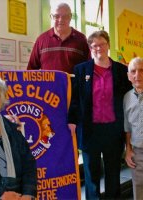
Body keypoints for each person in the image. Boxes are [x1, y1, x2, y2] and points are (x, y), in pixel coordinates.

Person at [68, 30, 132, 199]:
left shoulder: (121, 71)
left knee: (113, 174)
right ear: (90, 48)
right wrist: (72, 121)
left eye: (102, 44)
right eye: (94, 45)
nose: (99, 48)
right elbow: (75, 99)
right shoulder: (81, 70)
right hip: (90, 131)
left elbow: (128, 99)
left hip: (114, 130)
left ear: (108, 45)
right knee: (91, 175)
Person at [27, 3, 90, 74]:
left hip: (74, 85)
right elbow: (31, 71)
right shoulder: (41, 39)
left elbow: (89, 69)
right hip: (47, 85)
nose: (60, 20)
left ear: (70, 17)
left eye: (65, 16)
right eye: (56, 16)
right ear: (51, 17)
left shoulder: (81, 39)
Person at [123, 57, 143, 200]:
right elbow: (127, 126)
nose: (138, 75)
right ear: (129, 76)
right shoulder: (126, 98)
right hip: (137, 152)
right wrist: (128, 150)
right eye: (133, 71)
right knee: (138, 188)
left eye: (142, 70)